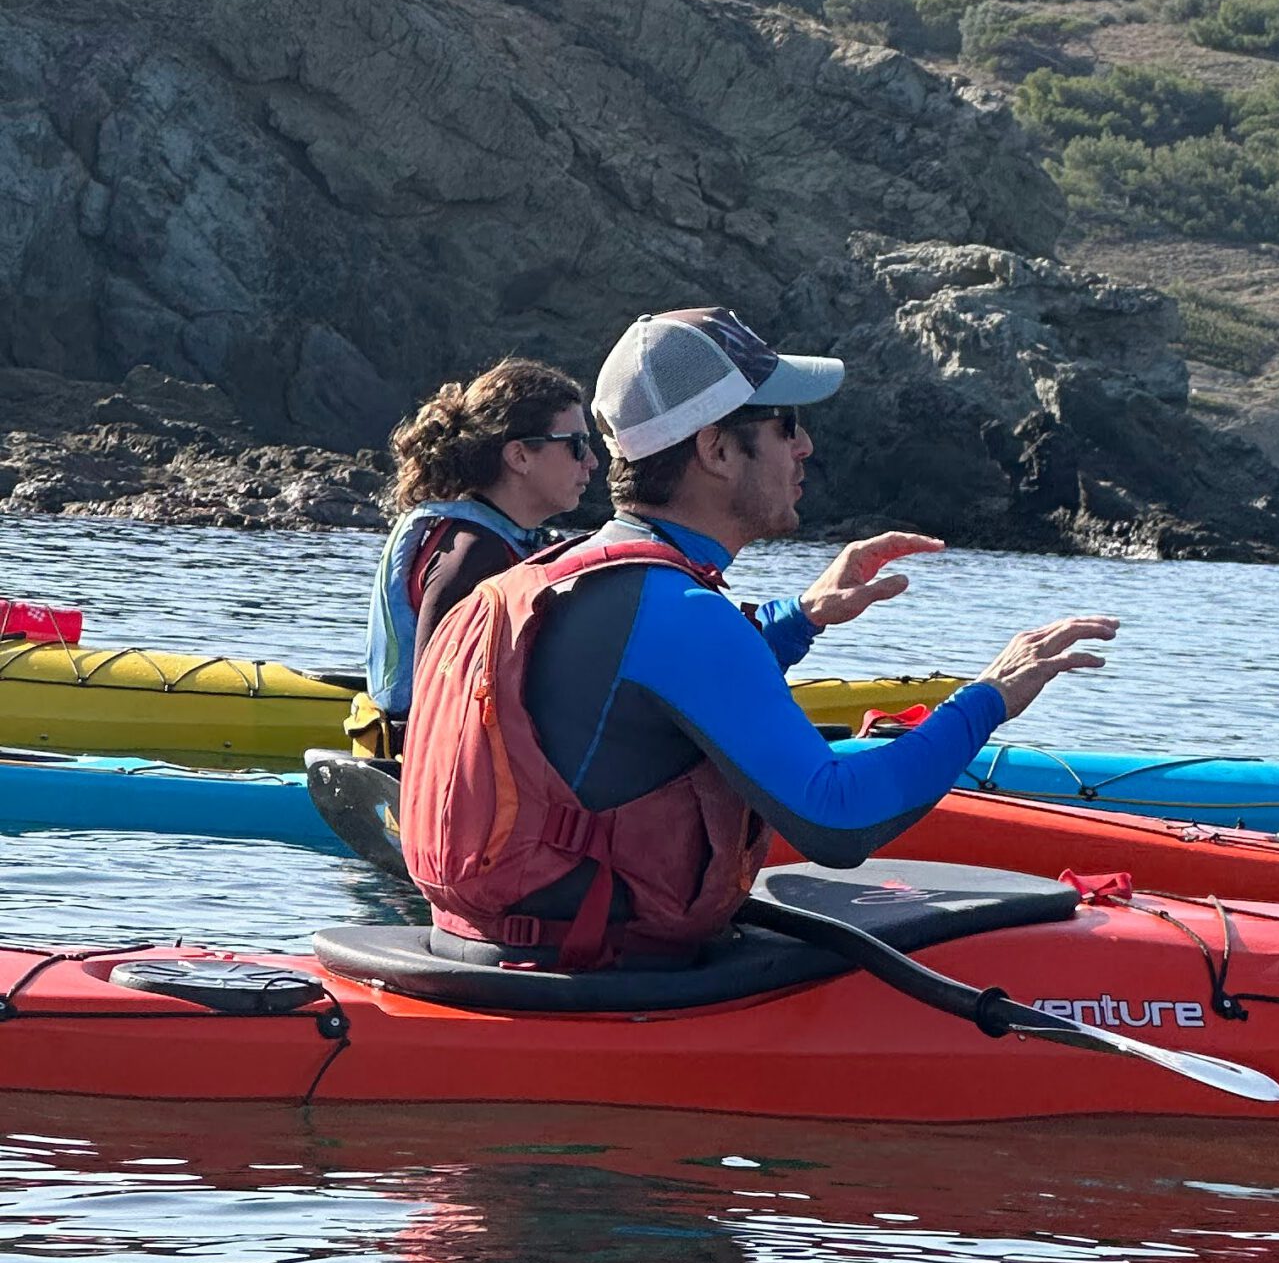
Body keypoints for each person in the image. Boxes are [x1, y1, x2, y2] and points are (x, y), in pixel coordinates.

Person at [399, 305, 1114, 970]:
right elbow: (839, 820)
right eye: (784, 425)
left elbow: (640, 696)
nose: (804, 446)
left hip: (491, 947)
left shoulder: (585, 572)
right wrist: (989, 698)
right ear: (715, 449)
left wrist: (802, 616)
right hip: (590, 975)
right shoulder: (676, 607)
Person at [354, 358, 598, 756]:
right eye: (577, 445)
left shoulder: (484, 542)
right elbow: (437, 710)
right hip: (430, 775)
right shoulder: (473, 556)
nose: (592, 462)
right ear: (519, 456)